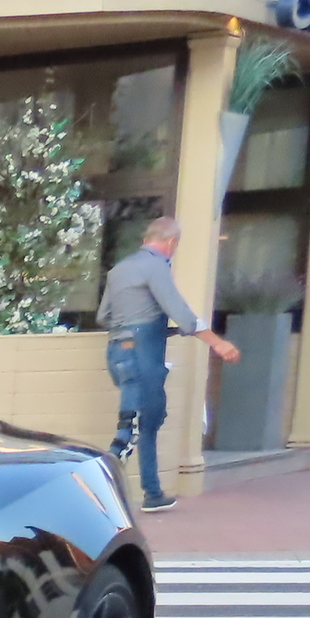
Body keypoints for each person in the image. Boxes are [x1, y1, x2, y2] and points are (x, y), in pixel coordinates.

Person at [96, 216, 240, 513]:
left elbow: (103, 316)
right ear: (171, 242)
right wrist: (218, 342)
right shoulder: (156, 267)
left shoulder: (118, 270)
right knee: (131, 427)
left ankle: (153, 492)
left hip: (118, 351)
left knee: (147, 420)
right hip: (142, 354)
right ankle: (93, 492)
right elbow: (181, 312)